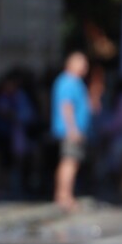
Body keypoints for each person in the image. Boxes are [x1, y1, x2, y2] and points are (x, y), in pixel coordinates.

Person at [51, 51, 91, 211]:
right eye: (82, 63)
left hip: (72, 129)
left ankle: (64, 195)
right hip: (70, 130)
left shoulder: (74, 81)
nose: (85, 67)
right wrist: (72, 129)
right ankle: (64, 196)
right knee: (69, 162)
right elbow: (66, 106)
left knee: (70, 162)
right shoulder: (68, 82)